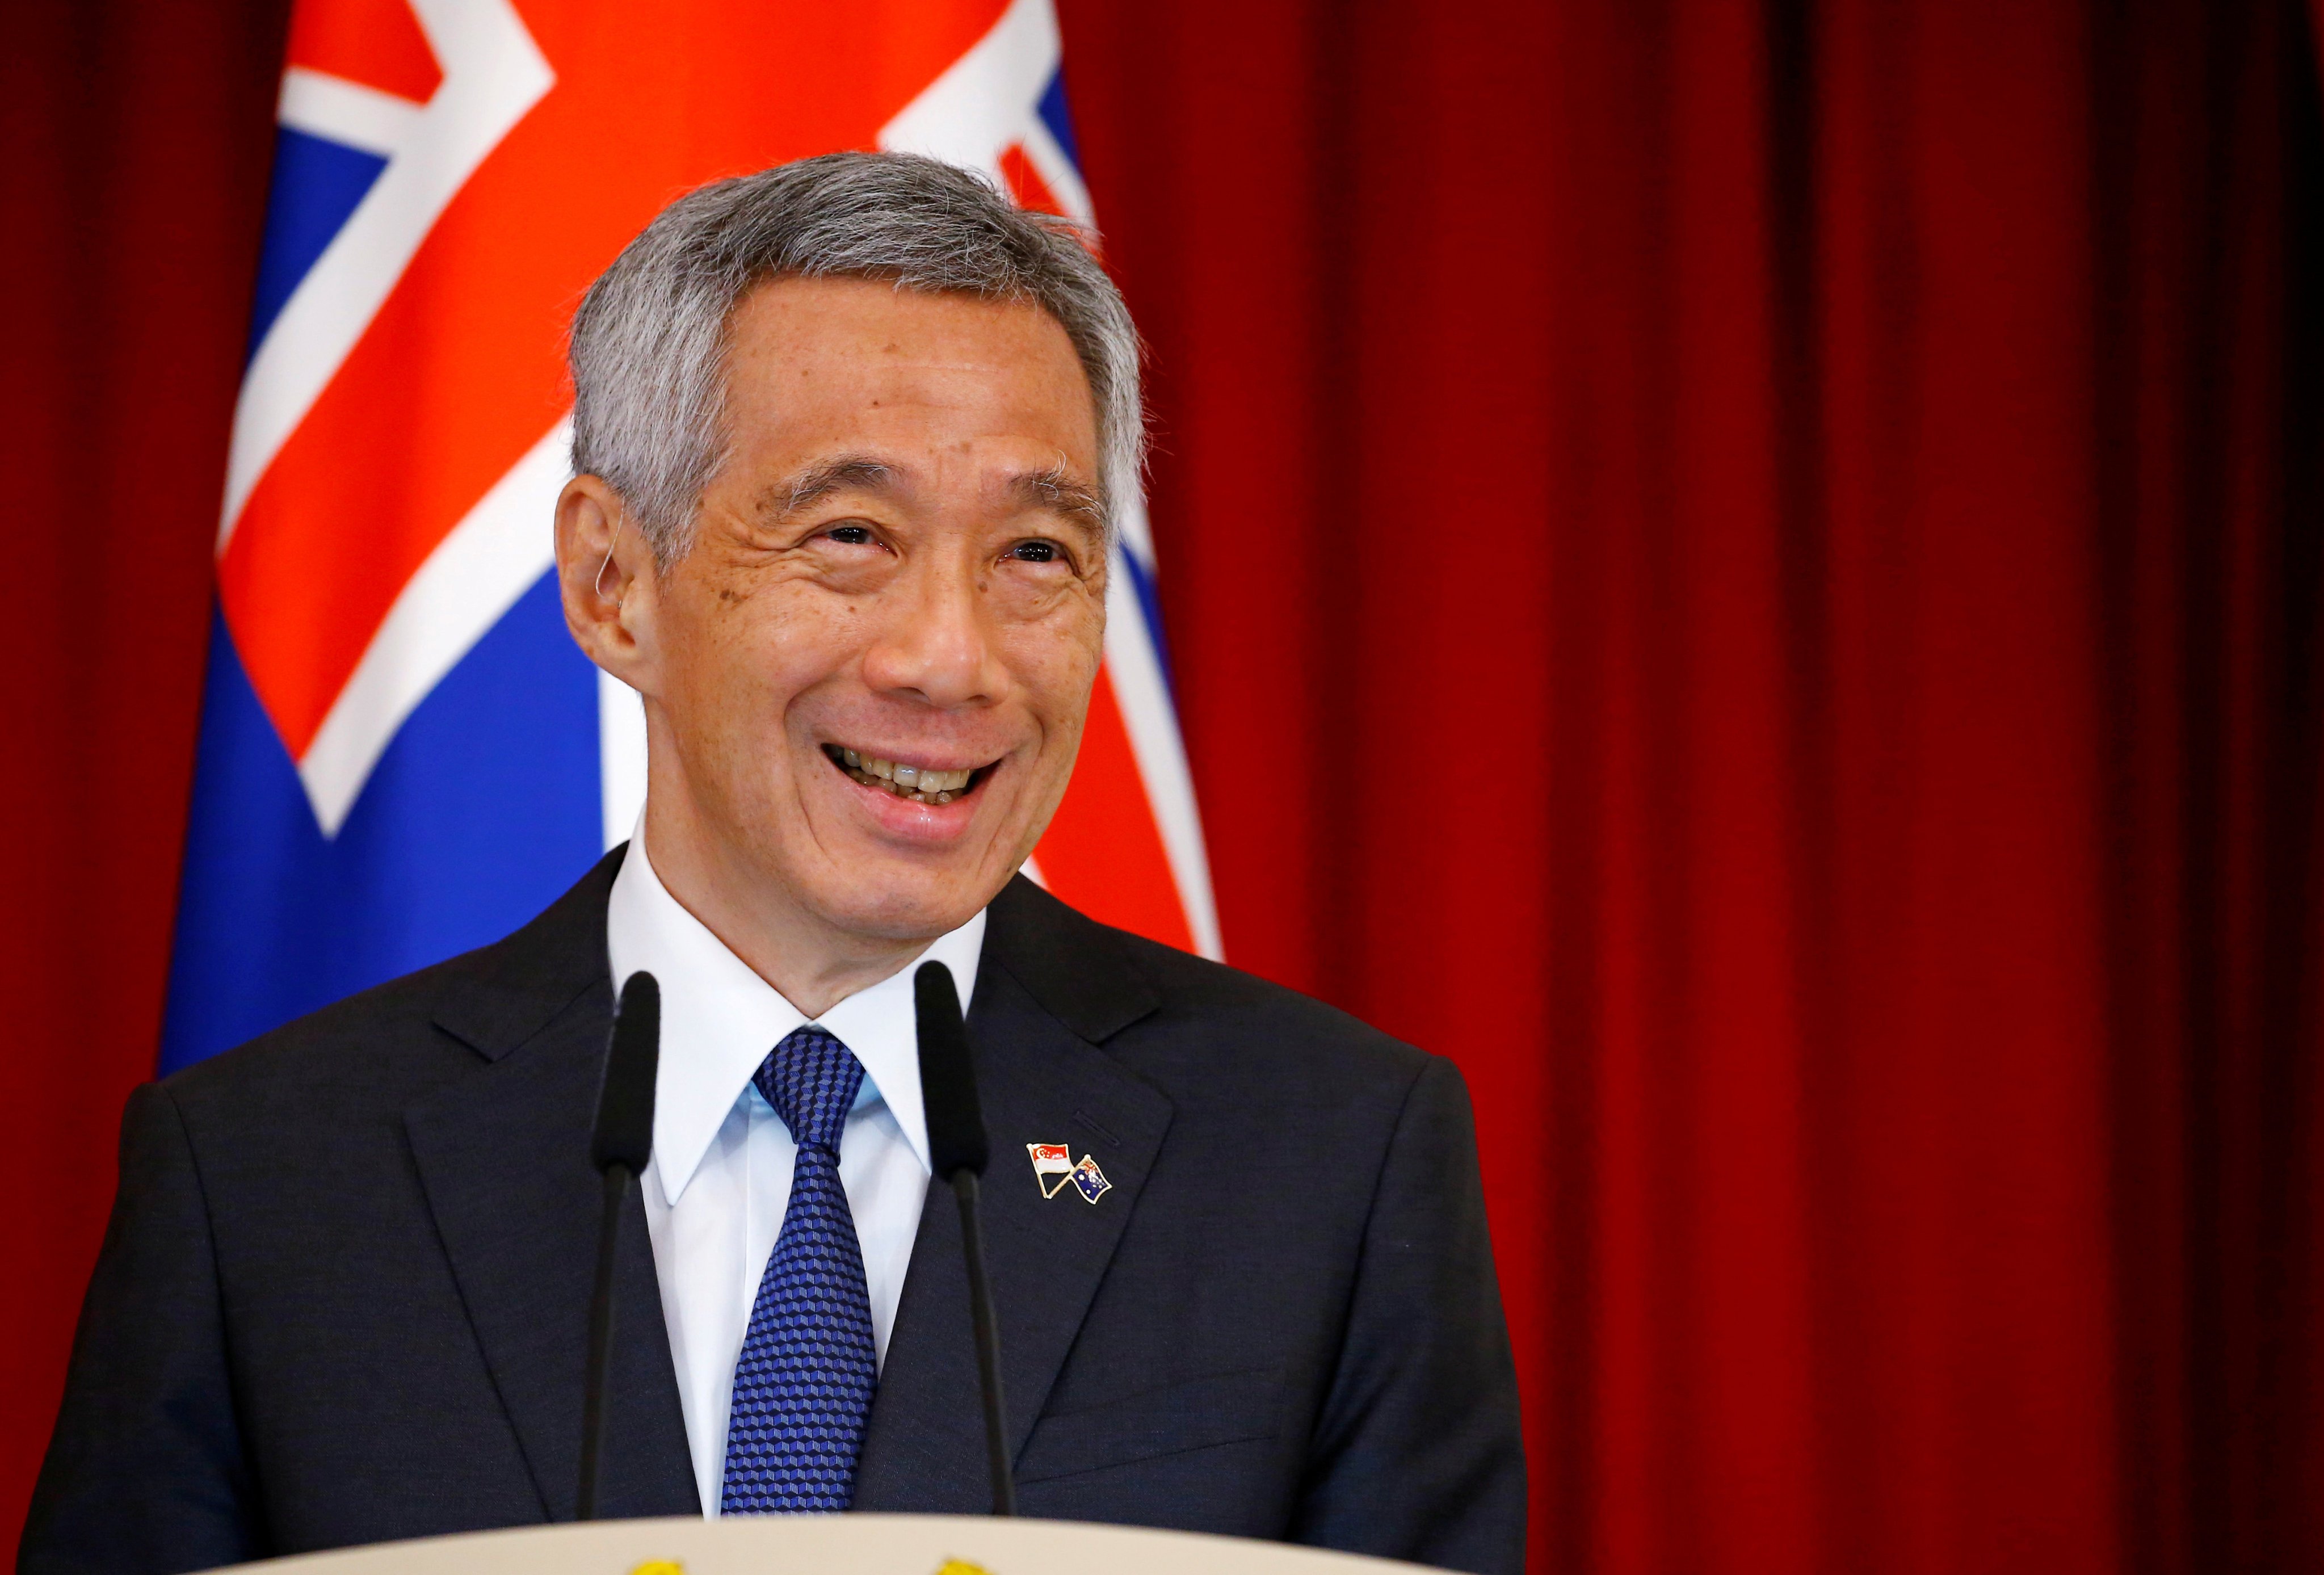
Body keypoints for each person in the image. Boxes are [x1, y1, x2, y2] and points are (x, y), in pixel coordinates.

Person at [21, 153, 1524, 1575]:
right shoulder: (268, 1181)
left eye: (1036, 556)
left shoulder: (1330, 1160)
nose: (954, 660)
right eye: (853, 535)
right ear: (614, 585)